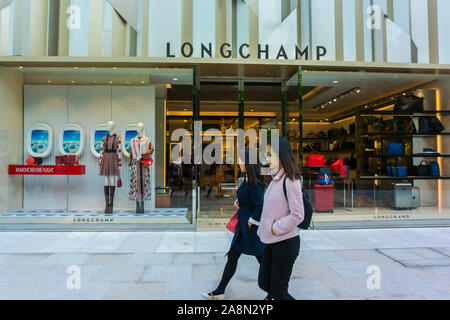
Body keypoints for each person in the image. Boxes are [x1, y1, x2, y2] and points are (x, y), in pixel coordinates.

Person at [202, 149, 268, 300]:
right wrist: (240, 202)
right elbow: (250, 200)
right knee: (233, 257)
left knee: (262, 260)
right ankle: (219, 291)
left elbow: (260, 205)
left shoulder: (253, 183)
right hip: (243, 228)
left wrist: (252, 221)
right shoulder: (248, 179)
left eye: (241, 160)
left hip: (250, 230)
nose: (238, 162)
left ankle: (276, 291)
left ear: (248, 162)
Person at [257, 137, 304, 300]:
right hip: (272, 241)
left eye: (270, 154)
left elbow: (298, 215)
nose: (267, 159)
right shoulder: (275, 179)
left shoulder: (291, 180)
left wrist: (274, 228)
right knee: (264, 283)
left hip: (285, 242)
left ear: (281, 155)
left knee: (278, 291)